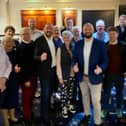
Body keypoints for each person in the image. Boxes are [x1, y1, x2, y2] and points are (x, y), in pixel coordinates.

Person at [73, 23, 108, 126]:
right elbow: (74, 58)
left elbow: (105, 60)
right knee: (85, 97)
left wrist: (101, 69)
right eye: (85, 29)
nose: (87, 30)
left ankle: (97, 121)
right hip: (82, 77)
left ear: (93, 30)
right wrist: (74, 65)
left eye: (89, 28)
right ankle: (87, 115)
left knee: (96, 101)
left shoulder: (100, 44)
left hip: (95, 77)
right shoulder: (78, 43)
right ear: (82, 31)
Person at [34, 23, 57, 125]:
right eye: (47, 28)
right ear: (43, 29)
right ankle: (44, 116)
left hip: (53, 71)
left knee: (50, 93)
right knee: (45, 94)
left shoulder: (54, 40)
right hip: (44, 73)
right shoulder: (39, 41)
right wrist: (40, 58)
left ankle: (47, 111)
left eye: (51, 29)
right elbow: (34, 56)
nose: (49, 30)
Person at [102, 27, 124, 118]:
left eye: (114, 34)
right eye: (110, 34)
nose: (112, 36)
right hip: (108, 74)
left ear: (117, 35)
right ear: (108, 35)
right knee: (106, 93)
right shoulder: (104, 46)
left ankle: (119, 108)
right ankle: (105, 109)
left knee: (119, 93)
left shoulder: (123, 46)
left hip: (120, 74)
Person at [17, 27, 37, 125]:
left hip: (34, 75)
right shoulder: (20, 47)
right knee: (26, 97)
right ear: (21, 35)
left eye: (28, 33)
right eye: (24, 33)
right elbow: (21, 65)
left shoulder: (33, 44)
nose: (26, 35)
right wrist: (25, 79)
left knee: (32, 96)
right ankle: (26, 117)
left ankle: (30, 112)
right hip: (26, 77)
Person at [1, 36, 20, 126]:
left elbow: (19, 64)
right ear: (2, 43)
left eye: (10, 42)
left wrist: (18, 69)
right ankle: (6, 122)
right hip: (3, 81)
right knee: (4, 102)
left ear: (13, 44)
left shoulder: (15, 53)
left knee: (13, 99)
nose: (8, 43)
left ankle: (12, 116)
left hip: (13, 80)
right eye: (6, 41)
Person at [56, 30, 76, 118]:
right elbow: (58, 64)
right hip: (63, 74)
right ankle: (64, 107)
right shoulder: (60, 48)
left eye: (68, 37)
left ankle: (69, 105)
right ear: (62, 38)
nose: (66, 38)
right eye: (64, 37)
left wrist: (69, 51)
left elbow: (75, 60)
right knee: (64, 93)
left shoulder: (73, 47)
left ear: (71, 38)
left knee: (70, 92)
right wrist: (59, 76)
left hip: (72, 74)